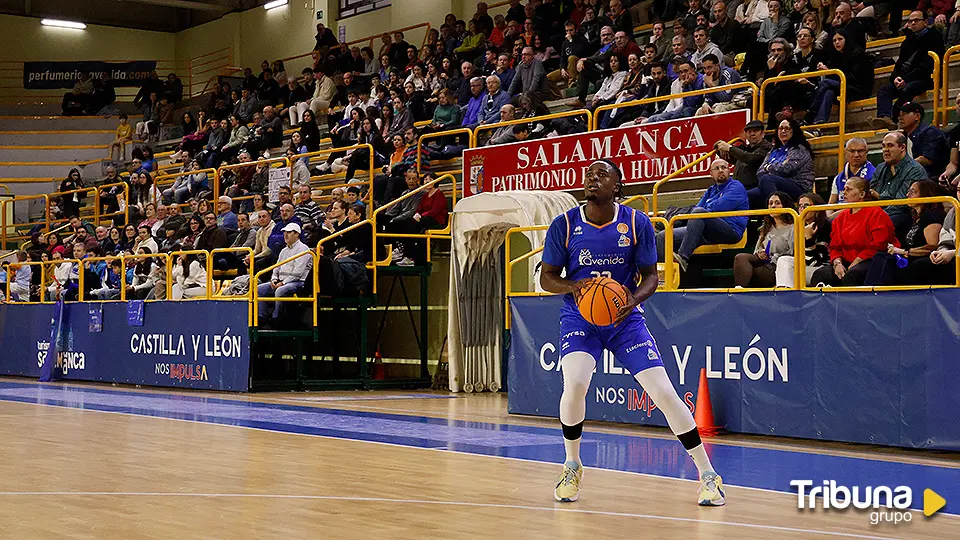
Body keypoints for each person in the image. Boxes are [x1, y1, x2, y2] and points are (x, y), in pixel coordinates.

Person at [540, 159, 724, 507]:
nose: (592, 178)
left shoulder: (636, 222)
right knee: (575, 382)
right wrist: (576, 286)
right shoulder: (564, 224)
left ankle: (708, 475)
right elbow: (546, 276)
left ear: (617, 187)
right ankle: (571, 464)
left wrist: (632, 298)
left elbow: (650, 276)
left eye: (602, 174)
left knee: (664, 392)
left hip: (625, 318)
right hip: (580, 317)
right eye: (589, 173)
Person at [656, 159, 749, 272]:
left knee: (699, 212)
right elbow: (695, 210)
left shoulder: (736, 186)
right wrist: (704, 209)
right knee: (662, 236)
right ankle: (665, 276)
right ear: (711, 174)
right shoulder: (710, 190)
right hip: (706, 230)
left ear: (729, 170)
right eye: (717, 168)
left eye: (724, 167)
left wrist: (706, 207)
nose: (721, 170)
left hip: (731, 230)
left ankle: (683, 257)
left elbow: (717, 207)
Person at [810, 177, 898, 287]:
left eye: (849, 189)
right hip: (846, 261)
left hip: (871, 260)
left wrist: (855, 262)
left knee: (853, 275)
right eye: (844, 189)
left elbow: (879, 245)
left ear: (862, 194)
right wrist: (837, 263)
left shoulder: (877, 213)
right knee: (820, 274)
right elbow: (834, 246)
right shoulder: (840, 218)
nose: (844, 192)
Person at [872, 12, 944, 129]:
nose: (913, 23)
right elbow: (899, 64)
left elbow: (927, 66)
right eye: (910, 21)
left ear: (925, 22)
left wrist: (905, 79)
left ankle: (895, 118)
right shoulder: (907, 41)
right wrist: (896, 77)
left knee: (909, 88)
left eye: (916, 20)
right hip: (905, 78)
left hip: (926, 78)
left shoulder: (934, 38)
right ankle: (884, 117)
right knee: (884, 91)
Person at [876, 180, 946, 285]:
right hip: (911, 256)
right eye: (908, 191)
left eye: (913, 192)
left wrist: (904, 251)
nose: (907, 195)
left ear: (925, 195)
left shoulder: (930, 217)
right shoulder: (914, 217)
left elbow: (932, 247)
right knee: (881, 257)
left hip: (923, 260)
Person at [871, 132, 928, 242]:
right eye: (883, 146)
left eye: (890, 145)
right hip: (880, 212)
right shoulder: (880, 168)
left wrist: (880, 200)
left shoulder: (914, 170)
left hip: (906, 215)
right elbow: (871, 195)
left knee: (884, 223)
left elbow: (901, 203)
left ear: (902, 147)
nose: (885, 150)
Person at [733, 192, 796, 287]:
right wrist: (760, 253)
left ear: (785, 205)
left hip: (778, 265)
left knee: (753, 272)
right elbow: (757, 249)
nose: (773, 206)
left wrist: (772, 256)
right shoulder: (765, 228)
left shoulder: (793, 227)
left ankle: (742, 291)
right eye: (770, 204)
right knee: (740, 258)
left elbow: (793, 254)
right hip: (763, 262)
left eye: (777, 203)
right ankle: (738, 291)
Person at [748, 118, 814, 208]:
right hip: (775, 184)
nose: (783, 131)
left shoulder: (799, 149)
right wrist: (774, 168)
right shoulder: (774, 150)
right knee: (747, 195)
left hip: (798, 187)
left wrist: (768, 167)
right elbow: (759, 172)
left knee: (767, 179)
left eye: (787, 128)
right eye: (780, 128)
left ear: (793, 131)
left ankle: (777, 214)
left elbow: (786, 169)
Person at [257, 222, 311, 324]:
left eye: (289, 232)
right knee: (259, 289)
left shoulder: (303, 249)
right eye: (285, 232)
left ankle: (277, 318)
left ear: (297, 234)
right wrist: (274, 279)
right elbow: (276, 268)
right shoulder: (284, 251)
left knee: (280, 290)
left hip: (299, 282)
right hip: (281, 280)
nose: (285, 235)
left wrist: (283, 282)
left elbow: (298, 273)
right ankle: (261, 318)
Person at [775, 192, 832, 287]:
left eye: (806, 205)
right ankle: (783, 294)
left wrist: (809, 239)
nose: (802, 209)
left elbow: (815, 262)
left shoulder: (826, 227)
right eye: (800, 206)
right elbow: (798, 257)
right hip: (806, 266)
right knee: (783, 260)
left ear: (817, 209)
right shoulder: (798, 227)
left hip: (822, 268)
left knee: (791, 273)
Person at [715, 120, 773, 190]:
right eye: (749, 132)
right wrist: (719, 145)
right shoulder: (744, 148)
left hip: (754, 188)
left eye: (755, 131)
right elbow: (719, 150)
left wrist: (729, 148)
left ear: (763, 134)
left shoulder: (767, 147)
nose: (752, 134)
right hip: (737, 187)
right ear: (745, 135)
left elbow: (750, 158)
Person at [898, 102, 949, 179]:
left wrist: (904, 167)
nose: (900, 118)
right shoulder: (902, 136)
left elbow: (928, 159)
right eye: (900, 115)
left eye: (905, 114)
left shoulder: (930, 132)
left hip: (931, 179)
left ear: (917, 116)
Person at [828, 138, 875, 218]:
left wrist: (833, 217)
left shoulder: (874, 174)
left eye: (860, 151)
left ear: (866, 152)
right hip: (837, 218)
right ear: (846, 152)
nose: (856, 155)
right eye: (852, 151)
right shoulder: (838, 178)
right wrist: (829, 218)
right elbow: (830, 205)